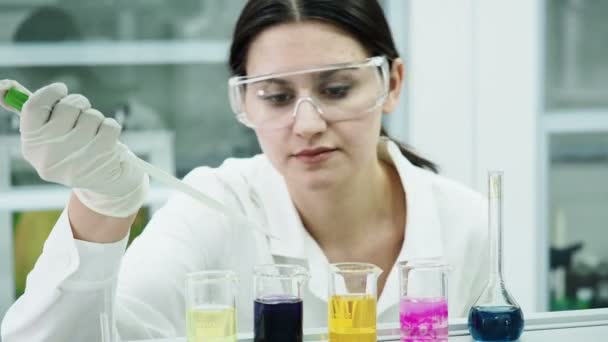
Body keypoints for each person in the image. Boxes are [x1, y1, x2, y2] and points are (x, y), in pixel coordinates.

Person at [0, 0, 489, 340]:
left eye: (337, 89)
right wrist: (98, 209)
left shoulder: (465, 224)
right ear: (243, 102)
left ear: (392, 83)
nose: (308, 124)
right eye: (276, 97)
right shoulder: (211, 209)